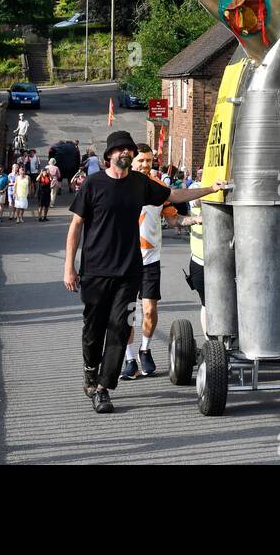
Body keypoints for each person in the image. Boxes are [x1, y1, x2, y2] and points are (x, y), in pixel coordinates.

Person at [63, 131, 223, 413]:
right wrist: (69, 267)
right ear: (109, 155)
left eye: (128, 149)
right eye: (120, 149)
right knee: (93, 330)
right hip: (95, 272)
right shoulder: (93, 184)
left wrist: (210, 189)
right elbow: (76, 226)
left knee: (121, 327)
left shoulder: (140, 184)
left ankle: (103, 388)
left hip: (129, 272)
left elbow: (174, 194)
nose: (125, 152)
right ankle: (90, 370)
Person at [121, 144, 179, 380]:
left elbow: (174, 218)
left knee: (149, 310)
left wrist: (196, 219)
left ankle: (145, 349)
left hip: (150, 260)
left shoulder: (160, 187)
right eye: (141, 161)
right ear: (131, 162)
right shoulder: (121, 186)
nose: (145, 165)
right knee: (126, 313)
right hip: (124, 262)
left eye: (149, 161)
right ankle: (129, 358)